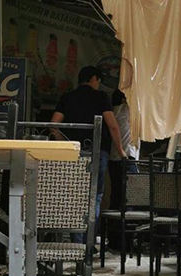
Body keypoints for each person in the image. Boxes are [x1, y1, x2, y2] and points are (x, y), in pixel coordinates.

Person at [51, 66, 126, 243]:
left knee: (75, 195)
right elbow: (112, 125)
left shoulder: (67, 97)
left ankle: (77, 241)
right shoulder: (101, 97)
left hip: (74, 153)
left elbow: (53, 124)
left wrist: (65, 142)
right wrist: (121, 151)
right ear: (94, 78)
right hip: (97, 152)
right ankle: (88, 242)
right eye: (98, 81)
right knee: (95, 196)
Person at [107, 89, 140, 250]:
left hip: (114, 160)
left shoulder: (114, 112)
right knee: (129, 201)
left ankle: (114, 240)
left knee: (115, 200)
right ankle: (126, 242)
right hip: (127, 158)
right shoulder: (127, 110)